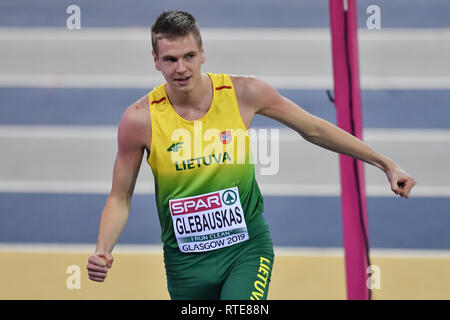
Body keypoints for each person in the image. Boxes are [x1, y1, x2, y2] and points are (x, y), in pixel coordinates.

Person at [86, 10, 416, 300]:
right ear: (156, 61)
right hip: (185, 264)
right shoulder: (140, 119)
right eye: (170, 59)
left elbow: (313, 128)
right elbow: (120, 197)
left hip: (246, 249)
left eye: (188, 56)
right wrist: (103, 249)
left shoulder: (243, 93)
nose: (181, 68)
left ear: (203, 53)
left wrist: (385, 163)